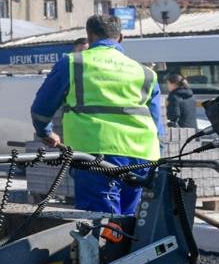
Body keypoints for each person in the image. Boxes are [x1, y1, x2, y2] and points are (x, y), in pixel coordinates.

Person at [31, 13, 164, 216]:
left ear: (89, 36)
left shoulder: (73, 63)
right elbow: (156, 123)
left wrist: (46, 133)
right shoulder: (146, 72)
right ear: (120, 38)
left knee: (100, 224)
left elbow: (41, 109)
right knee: (127, 222)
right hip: (142, 156)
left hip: (97, 153)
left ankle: (105, 247)